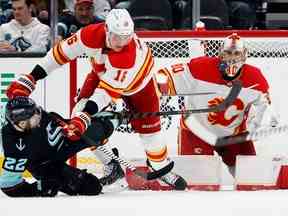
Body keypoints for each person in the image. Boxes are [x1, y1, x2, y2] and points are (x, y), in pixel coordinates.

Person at [5, 8, 187, 190]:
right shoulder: (90, 35)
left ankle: (160, 168)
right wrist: (31, 78)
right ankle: (111, 164)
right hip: (102, 75)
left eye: (127, 37)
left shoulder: (129, 55)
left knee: (151, 133)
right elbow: (58, 55)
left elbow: (105, 93)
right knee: (80, 117)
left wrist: (86, 115)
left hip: (141, 85)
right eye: (117, 36)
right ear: (107, 30)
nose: (122, 42)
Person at [156, 33, 278, 176]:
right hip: (196, 131)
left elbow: (266, 106)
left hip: (234, 135)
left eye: (236, 53)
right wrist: (160, 93)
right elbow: (164, 75)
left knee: (250, 177)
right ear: (220, 53)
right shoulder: (200, 67)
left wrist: (260, 122)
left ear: (244, 55)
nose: (232, 58)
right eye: (228, 53)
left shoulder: (255, 77)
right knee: (198, 183)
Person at [0, 96, 121, 197]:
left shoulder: (31, 113)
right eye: (33, 119)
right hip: (46, 165)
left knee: (104, 125)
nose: (37, 118)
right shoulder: (14, 145)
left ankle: (124, 119)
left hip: (64, 139)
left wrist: (64, 123)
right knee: (92, 187)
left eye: (36, 113)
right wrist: (38, 188)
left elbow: (49, 115)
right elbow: (9, 186)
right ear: (20, 124)